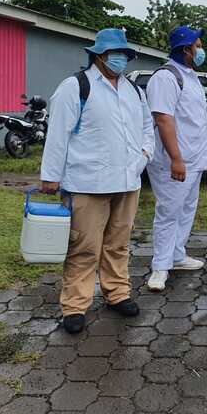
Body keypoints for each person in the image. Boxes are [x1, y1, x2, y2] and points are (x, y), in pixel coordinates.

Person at [40, 28, 154, 334]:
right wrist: (50, 176)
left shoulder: (134, 91)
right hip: (87, 182)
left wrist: (145, 155)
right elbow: (58, 133)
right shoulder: (76, 86)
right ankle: (75, 305)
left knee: (119, 243)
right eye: (115, 54)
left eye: (124, 55)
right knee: (84, 246)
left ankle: (117, 293)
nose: (121, 59)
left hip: (128, 180)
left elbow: (147, 127)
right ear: (99, 55)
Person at [145, 26, 207, 292]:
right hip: (175, 159)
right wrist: (176, 158)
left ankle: (177, 255)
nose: (201, 50)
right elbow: (163, 118)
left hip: (194, 158)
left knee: (186, 209)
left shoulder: (191, 76)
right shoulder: (165, 77)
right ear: (186, 49)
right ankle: (160, 266)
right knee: (169, 211)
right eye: (198, 45)